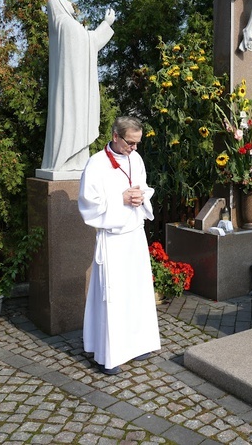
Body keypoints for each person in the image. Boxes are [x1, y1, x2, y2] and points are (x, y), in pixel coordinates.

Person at [78, 116, 161, 375]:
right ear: (115, 136)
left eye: (138, 143)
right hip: (112, 239)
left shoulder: (136, 159)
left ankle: (137, 344)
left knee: (136, 292)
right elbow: (88, 204)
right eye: (130, 142)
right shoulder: (96, 164)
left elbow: (144, 187)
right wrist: (120, 198)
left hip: (134, 235)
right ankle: (109, 356)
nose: (134, 148)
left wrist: (140, 196)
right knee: (113, 297)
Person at [41, 0, 116, 172]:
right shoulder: (67, 24)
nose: (70, 4)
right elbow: (91, 43)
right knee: (74, 120)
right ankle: (70, 161)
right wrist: (107, 23)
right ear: (60, 4)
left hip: (70, 85)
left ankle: (73, 161)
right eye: (66, 1)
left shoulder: (58, 27)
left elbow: (87, 42)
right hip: (75, 87)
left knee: (70, 120)